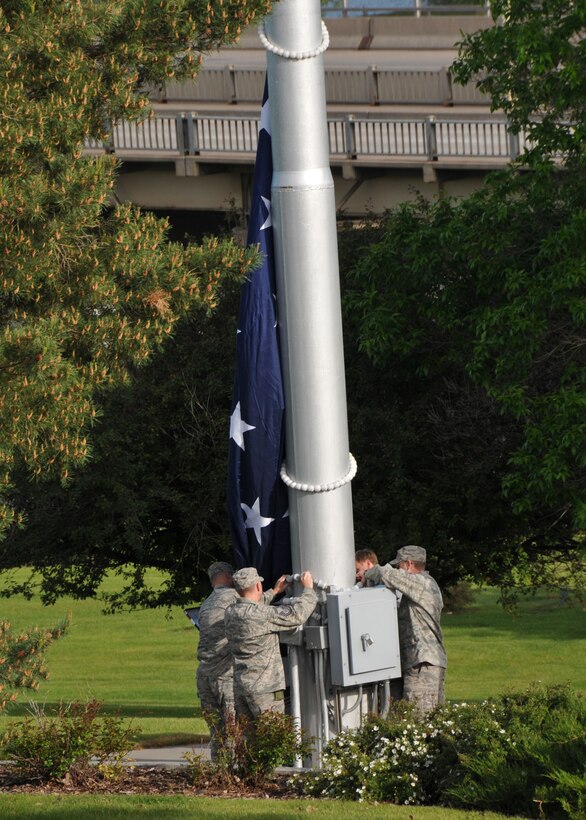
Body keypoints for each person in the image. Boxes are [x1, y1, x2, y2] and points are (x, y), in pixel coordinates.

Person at [224, 567, 317, 724]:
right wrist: (308, 589)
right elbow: (297, 614)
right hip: (265, 690)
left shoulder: (231, 612)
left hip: (242, 688)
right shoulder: (262, 615)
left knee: (251, 742)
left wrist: (274, 592)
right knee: (273, 739)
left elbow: (251, 606)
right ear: (258, 586)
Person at [363, 545, 447, 718]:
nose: (397, 569)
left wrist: (367, 572)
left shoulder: (420, 583)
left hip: (422, 663)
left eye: (398, 565)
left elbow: (385, 574)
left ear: (409, 564)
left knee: (418, 720)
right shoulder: (424, 585)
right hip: (421, 662)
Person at [196, 561, 239, 760]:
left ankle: (219, 770)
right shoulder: (233, 598)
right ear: (229, 577)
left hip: (205, 675)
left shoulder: (206, 603)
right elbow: (256, 608)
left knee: (216, 731)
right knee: (232, 729)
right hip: (225, 675)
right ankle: (232, 772)